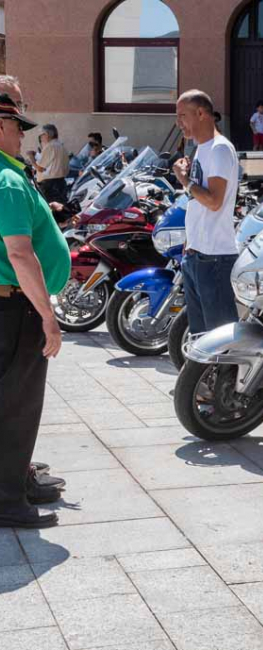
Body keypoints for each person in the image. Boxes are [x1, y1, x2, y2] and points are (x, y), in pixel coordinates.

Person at [0, 94, 71, 528]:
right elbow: (20, 254)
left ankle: (12, 485)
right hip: (14, 306)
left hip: (8, 304)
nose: (23, 136)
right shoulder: (7, 180)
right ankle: (8, 500)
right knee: (17, 406)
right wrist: (48, 316)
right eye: (16, 127)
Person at [173, 89, 239, 335]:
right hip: (197, 255)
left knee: (219, 340)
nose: (178, 123)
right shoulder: (202, 148)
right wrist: (190, 243)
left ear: (201, 113)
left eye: (182, 115)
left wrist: (184, 180)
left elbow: (214, 201)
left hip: (215, 257)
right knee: (201, 337)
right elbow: (198, 203)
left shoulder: (220, 149)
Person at [28, 123, 70, 202]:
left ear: (46, 134)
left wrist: (31, 158)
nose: (41, 138)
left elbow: (40, 168)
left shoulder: (50, 146)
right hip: (61, 183)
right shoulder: (61, 145)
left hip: (50, 186)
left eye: (41, 135)